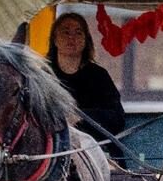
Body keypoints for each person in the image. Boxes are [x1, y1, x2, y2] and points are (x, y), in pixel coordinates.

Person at [47, 12, 126, 143]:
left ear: (85, 40)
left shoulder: (99, 75)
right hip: (54, 147)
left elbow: (117, 119)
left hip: (97, 147)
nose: (72, 38)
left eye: (78, 33)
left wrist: (81, 116)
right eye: (66, 32)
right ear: (55, 39)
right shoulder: (43, 75)